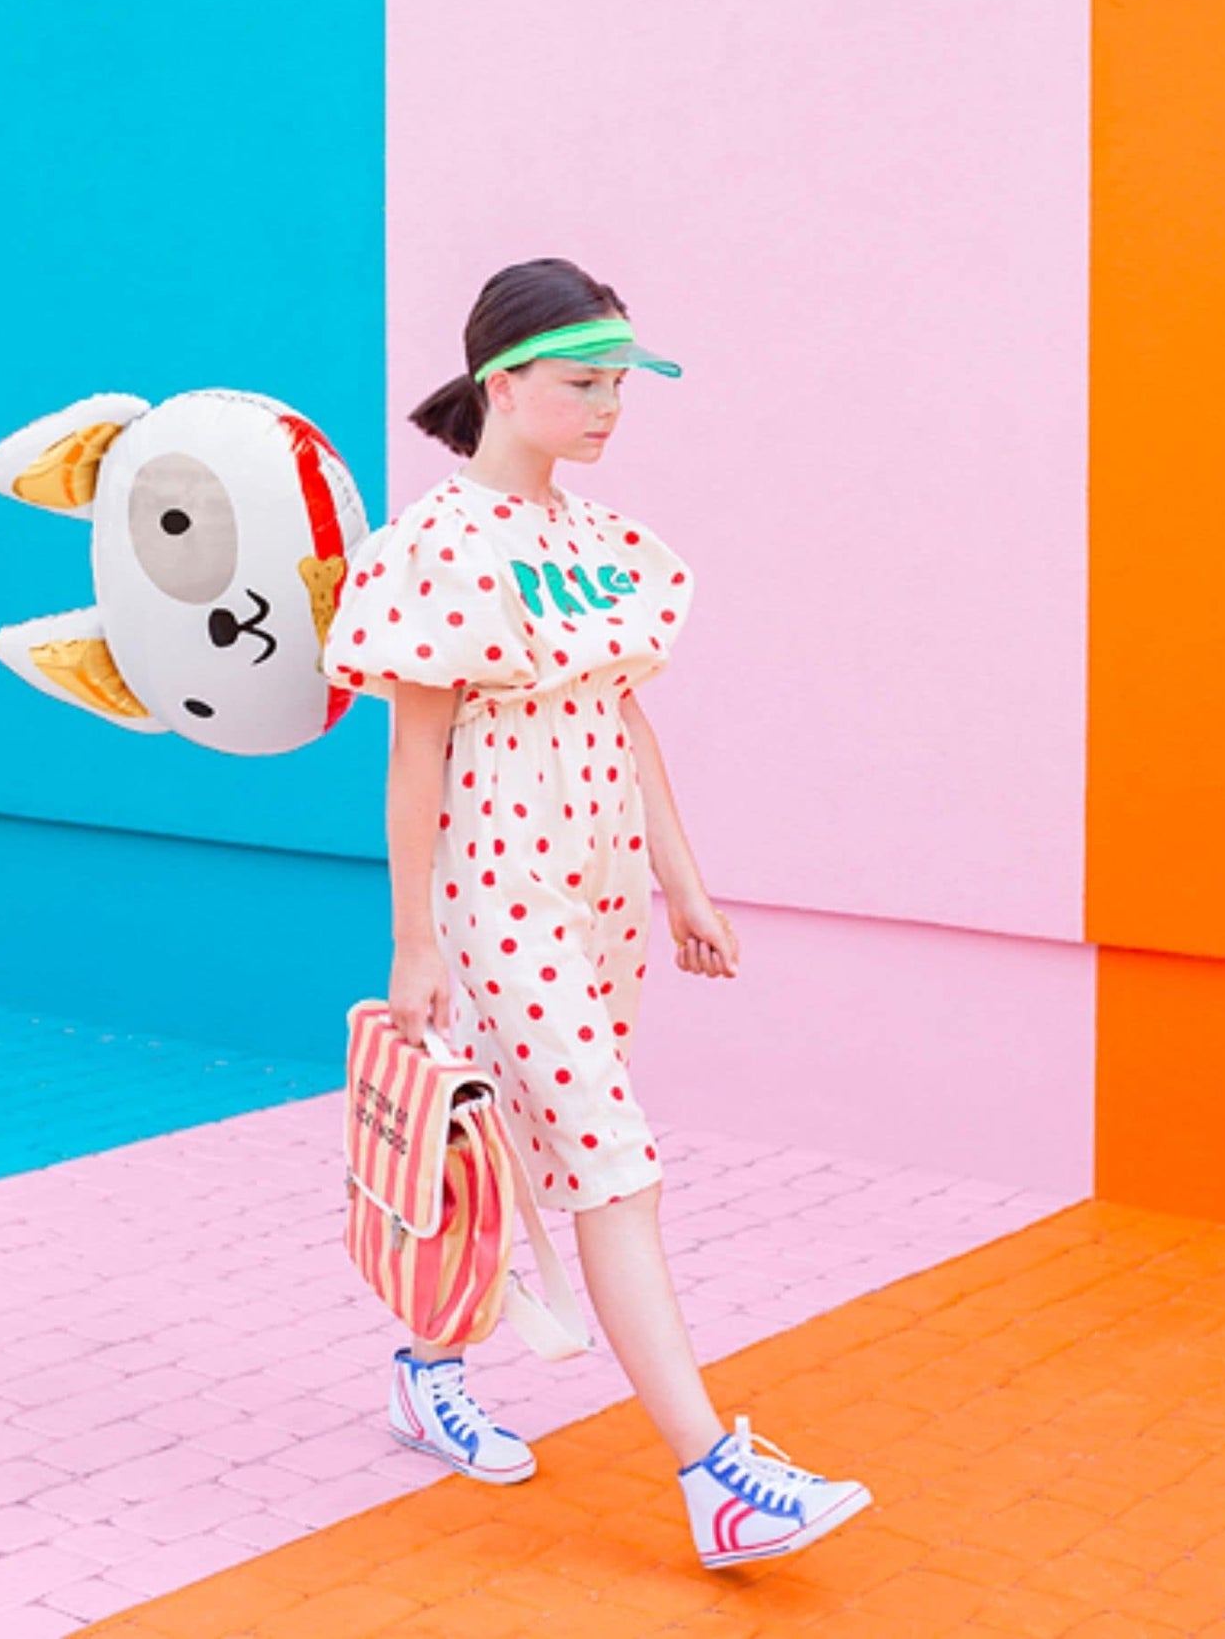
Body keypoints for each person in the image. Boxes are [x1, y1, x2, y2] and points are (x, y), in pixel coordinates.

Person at [321, 257, 871, 1568]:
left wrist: (681, 880)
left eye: (619, 380)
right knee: (610, 1164)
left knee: (507, 1135)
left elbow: (621, 710)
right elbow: (414, 758)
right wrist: (414, 944)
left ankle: (423, 1365)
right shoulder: (435, 550)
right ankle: (714, 1473)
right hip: (493, 880)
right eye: (582, 381)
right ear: (502, 383)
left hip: (601, 875)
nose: (609, 404)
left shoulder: (596, 545)